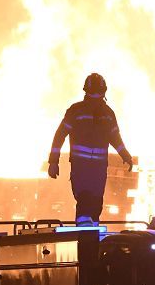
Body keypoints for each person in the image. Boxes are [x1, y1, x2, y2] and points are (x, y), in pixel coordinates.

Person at [48, 73, 133, 225]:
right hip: (81, 167)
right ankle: (85, 233)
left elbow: (115, 137)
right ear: (86, 91)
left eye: (98, 92)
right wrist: (53, 162)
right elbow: (59, 135)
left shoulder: (108, 114)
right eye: (93, 92)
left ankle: (92, 234)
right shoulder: (76, 111)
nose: (96, 96)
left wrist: (125, 155)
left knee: (96, 203)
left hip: (99, 168)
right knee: (84, 199)